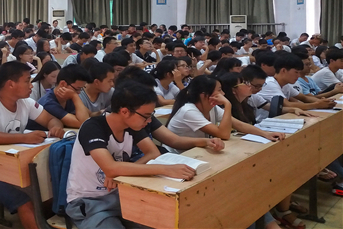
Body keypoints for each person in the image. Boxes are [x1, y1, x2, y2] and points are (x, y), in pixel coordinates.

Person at [66, 81, 198, 229]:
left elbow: (153, 152)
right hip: (89, 201)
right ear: (124, 112)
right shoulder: (93, 127)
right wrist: (166, 169)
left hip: (121, 195)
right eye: (146, 116)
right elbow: (110, 168)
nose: (149, 121)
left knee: (164, 221)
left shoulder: (131, 126)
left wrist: (119, 172)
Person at [0, 62, 65, 229]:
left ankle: (42, 221)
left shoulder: (25, 102)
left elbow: (51, 119)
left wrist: (55, 127)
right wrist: (24, 138)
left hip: (8, 162)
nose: (31, 85)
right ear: (10, 84)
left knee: (46, 185)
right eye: (27, 81)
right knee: (23, 198)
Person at [165, 75, 284, 154]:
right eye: (219, 90)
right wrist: (227, 105)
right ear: (204, 95)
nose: (223, 93)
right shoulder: (189, 111)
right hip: (179, 155)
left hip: (197, 151)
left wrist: (266, 134)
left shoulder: (212, 107)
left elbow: (239, 125)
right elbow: (224, 134)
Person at [255, 53, 336, 111]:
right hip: (266, 122)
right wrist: (316, 105)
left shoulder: (285, 84)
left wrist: (323, 102)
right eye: (296, 72)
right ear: (283, 70)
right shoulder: (270, 83)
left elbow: (304, 98)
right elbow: (287, 104)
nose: (298, 75)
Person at [33, 64, 92, 128]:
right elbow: (83, 123)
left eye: (81, 89)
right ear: (63, 84)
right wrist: (74, 96)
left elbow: (89, 114)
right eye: (77, 89)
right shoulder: (49, 103)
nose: (79, 92)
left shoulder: (68, 97)